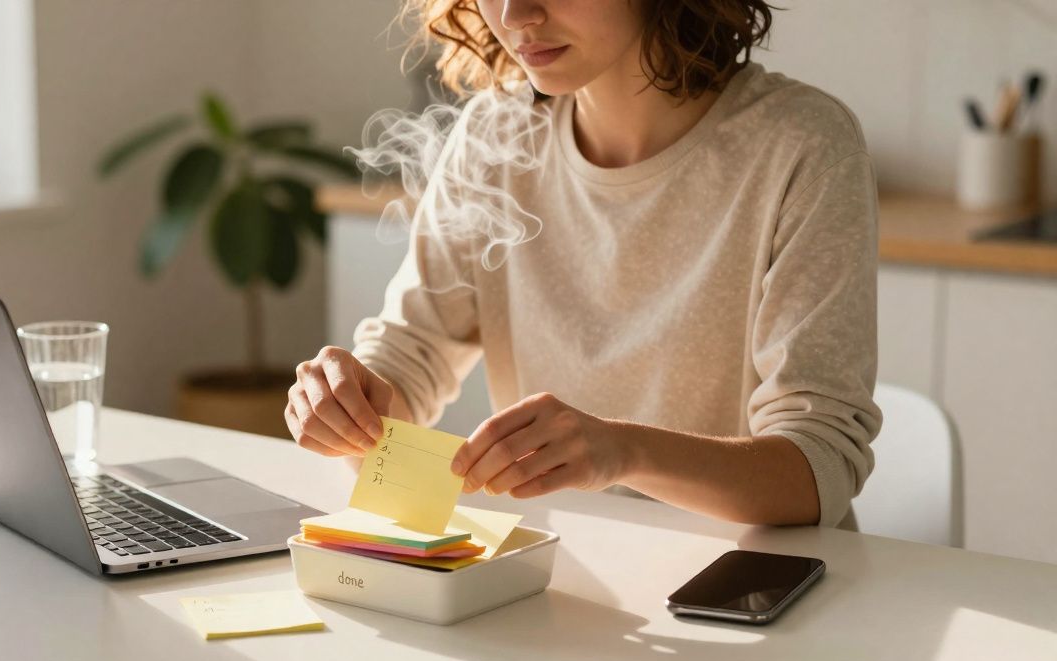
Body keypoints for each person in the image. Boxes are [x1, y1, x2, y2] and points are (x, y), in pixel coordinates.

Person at [284, 0, 881, 528]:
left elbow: (819, 468)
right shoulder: (495, 134)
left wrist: (623, 451)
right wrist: (353, 403)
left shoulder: (802, 146)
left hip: (752, 586)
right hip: (568, 568)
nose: (516, 15)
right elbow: (410, 352)